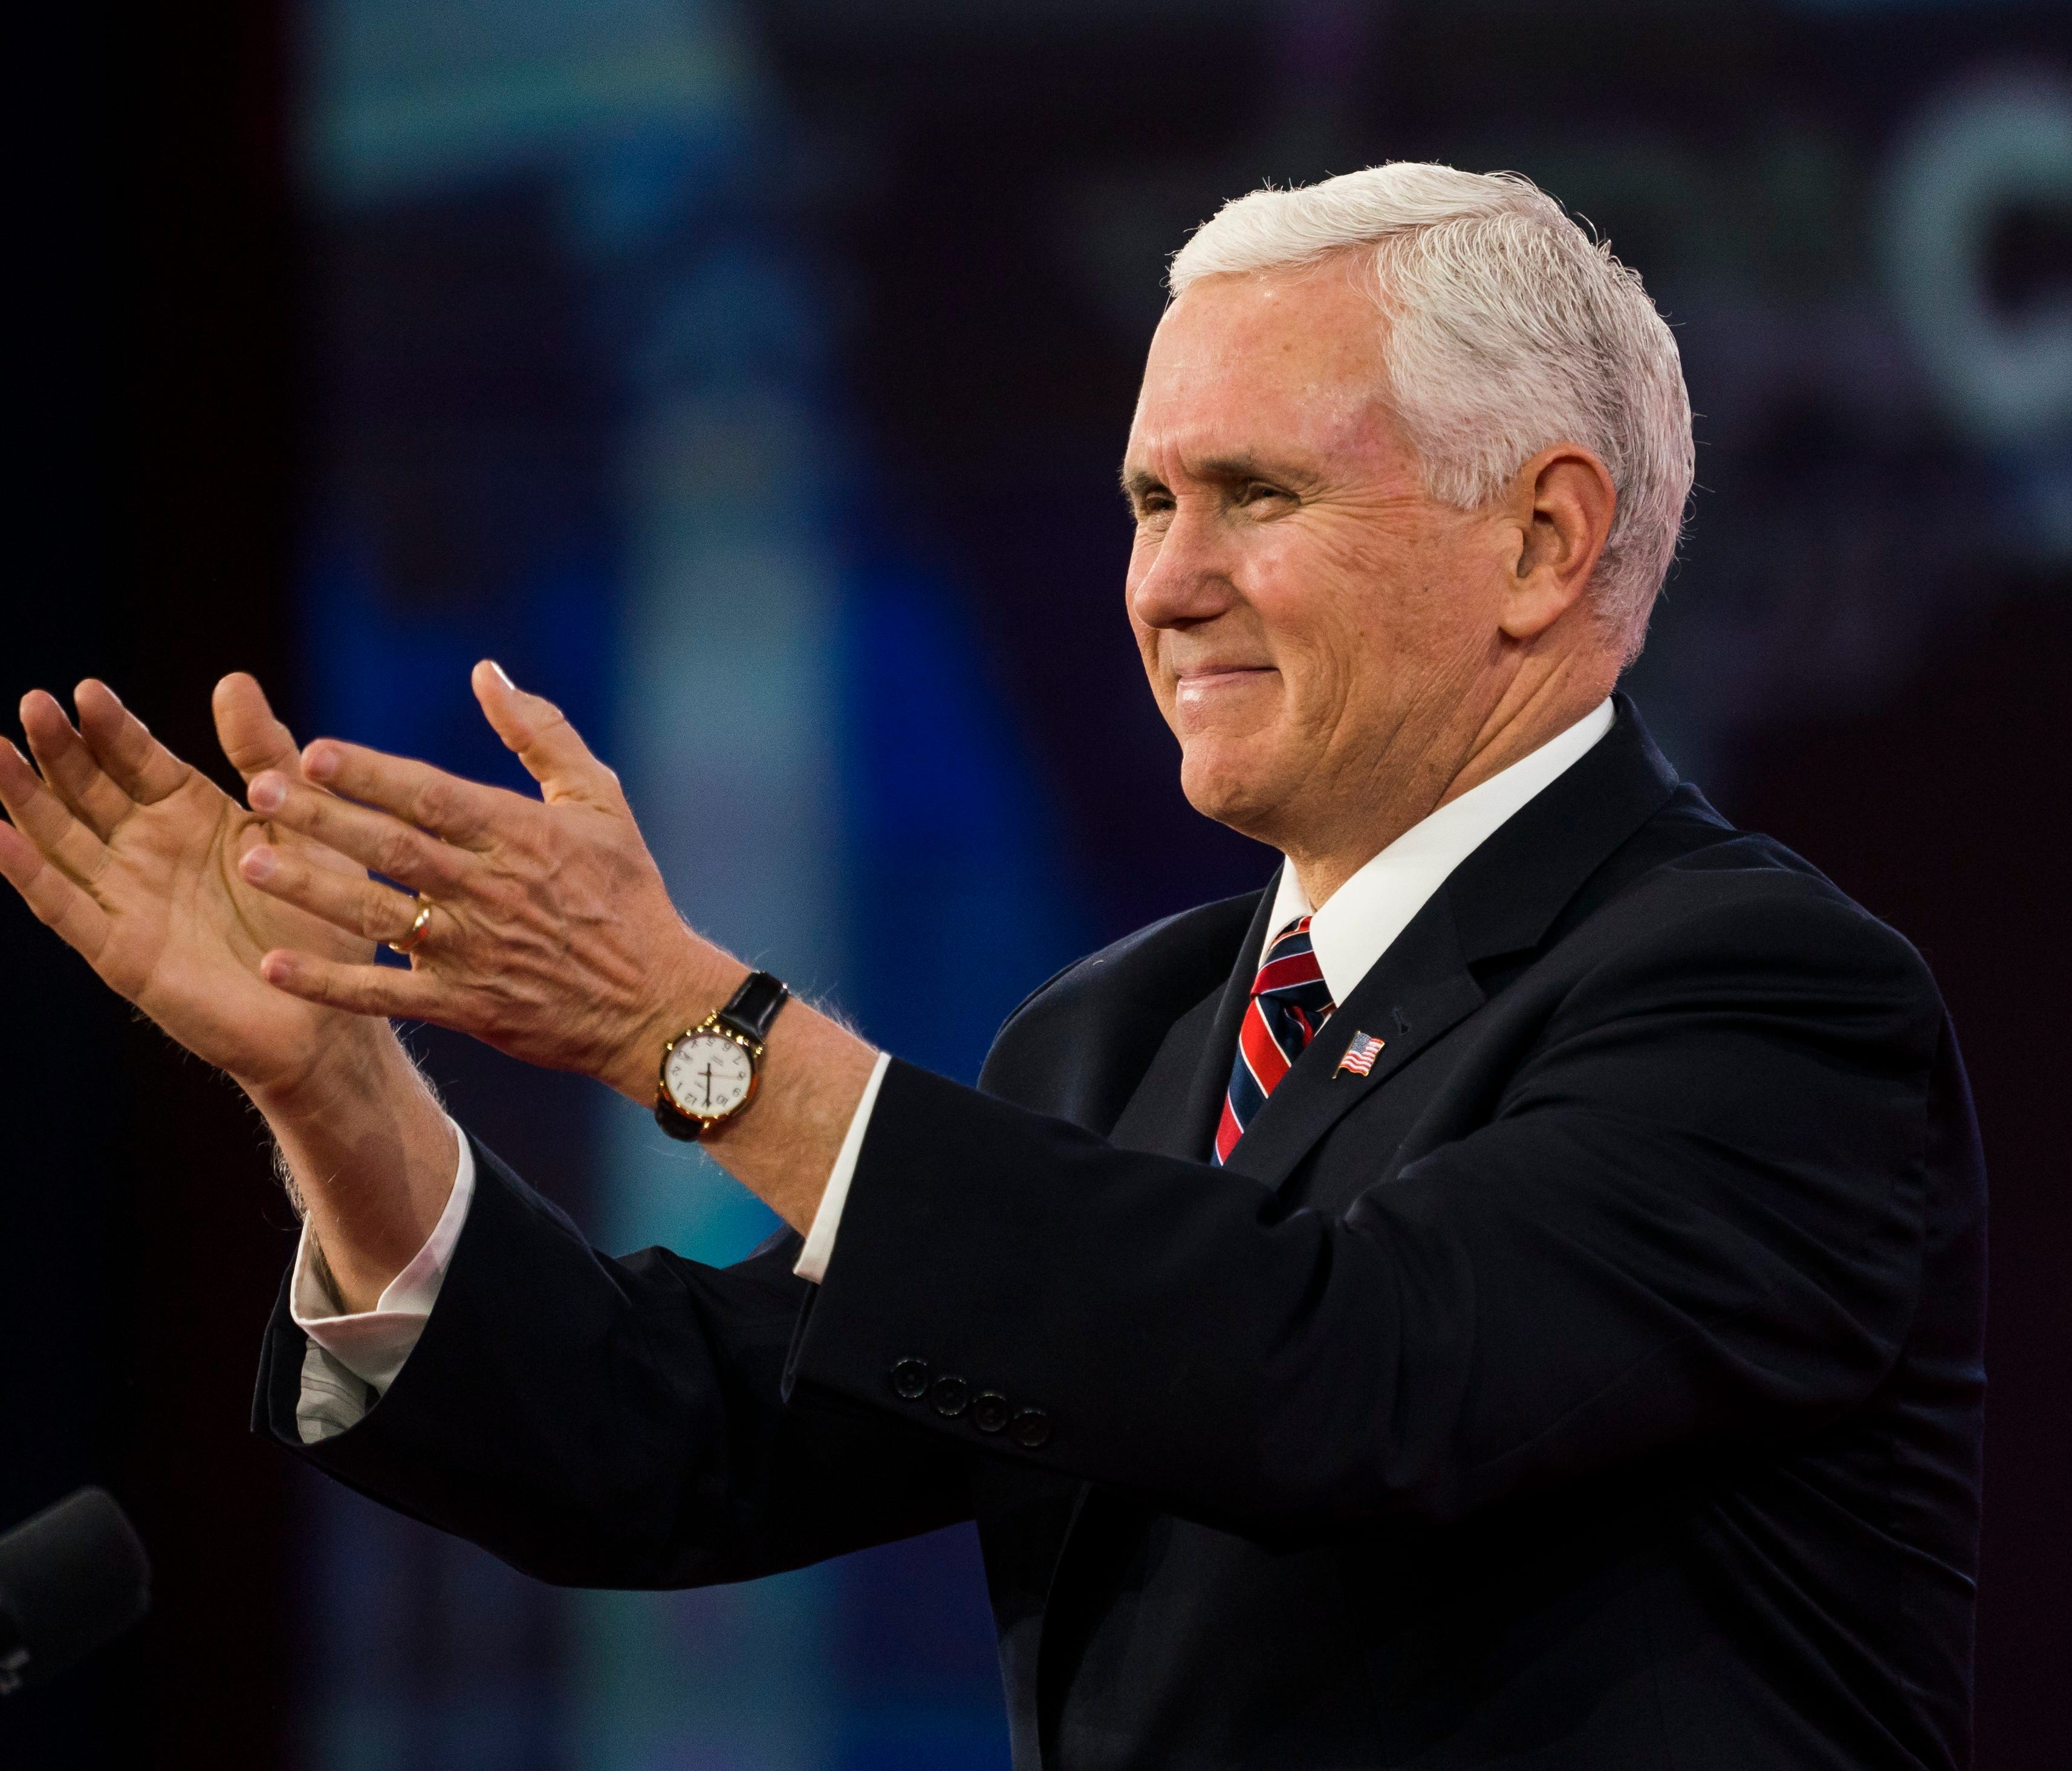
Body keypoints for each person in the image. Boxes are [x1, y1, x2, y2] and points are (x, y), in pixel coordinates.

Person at [0, 165, 1984, 1770]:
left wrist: (682, 1022)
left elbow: (1353, 1376)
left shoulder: (1761, 1003)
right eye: (1143, 500)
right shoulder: (1121, 1032)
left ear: (1544, 540)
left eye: (1254, 496)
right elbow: (672, 1447)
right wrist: (332, 1082)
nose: (1162, 578)